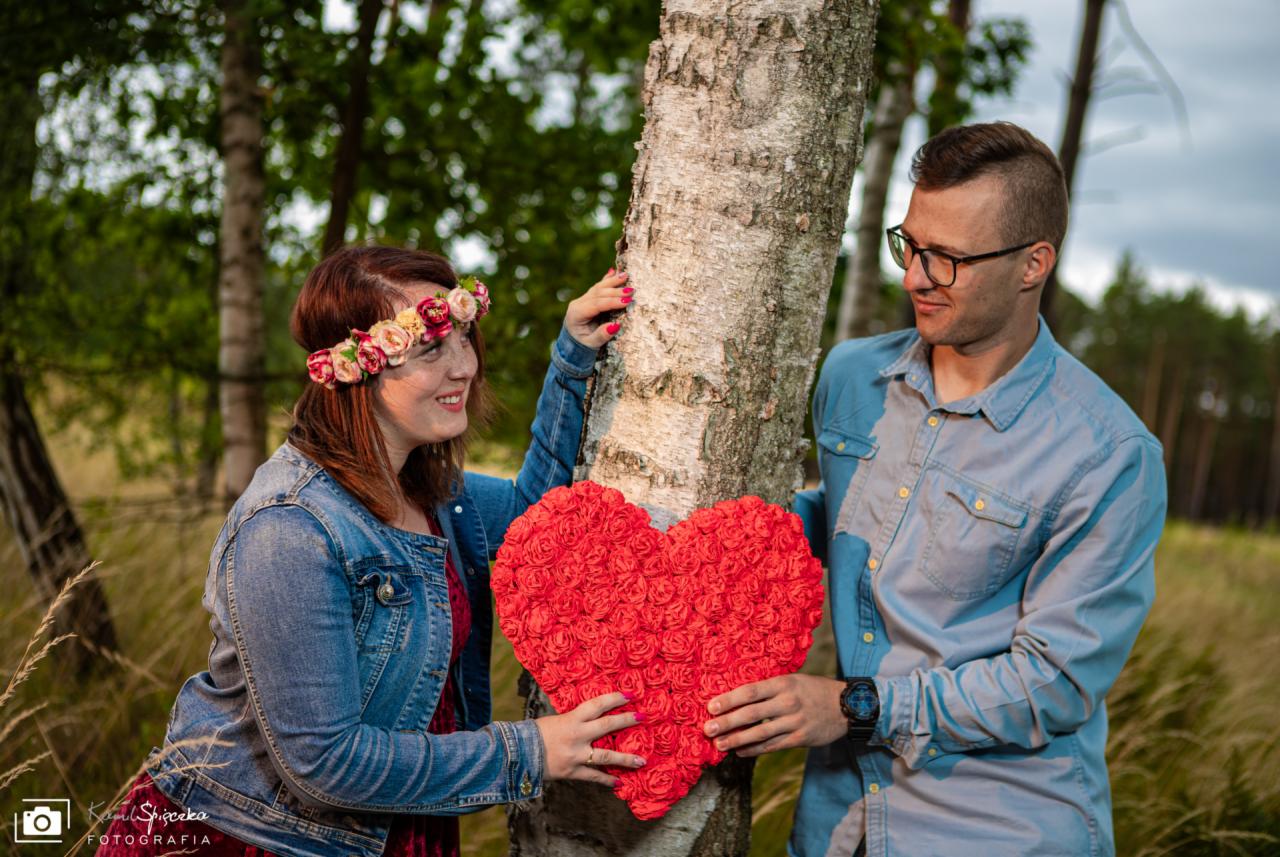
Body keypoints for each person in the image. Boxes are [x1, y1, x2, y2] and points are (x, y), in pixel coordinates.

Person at [701, 122, 1167, 856]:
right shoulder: (852, 377)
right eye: (910, 245)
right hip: (835, 822)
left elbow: (1055, 682)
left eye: (947, 258)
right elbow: (850, 521)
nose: (916, 276)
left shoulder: (1110, 455)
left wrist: (855, 706)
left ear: (1032, 264)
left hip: (997, 829)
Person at [94, 246, 645, 857]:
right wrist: (530, 750)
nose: (463, 365)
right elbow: (323, 764)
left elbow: (539, 515)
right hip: (260, 839)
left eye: (465, 338)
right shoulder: (290, 527)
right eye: (432, 348)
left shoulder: (435, 496)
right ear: (357, 370)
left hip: (394, 825)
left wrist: (571, 357)